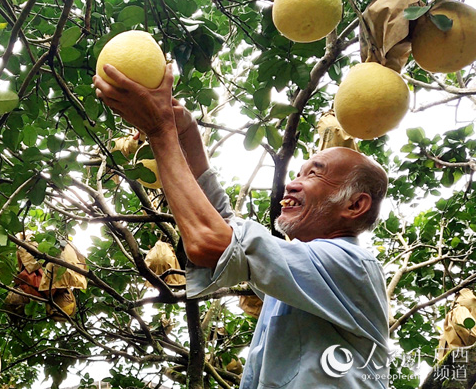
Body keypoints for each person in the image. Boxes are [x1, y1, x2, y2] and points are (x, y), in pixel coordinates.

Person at [94, 63, 390, 388]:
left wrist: (159, 129)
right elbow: (224, 228)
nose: (292, 184)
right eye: (298, 172)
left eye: (314, 173)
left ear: (355, 205)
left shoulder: (349, 266)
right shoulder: (303, 272)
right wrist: (185, 132)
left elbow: (210, 242)